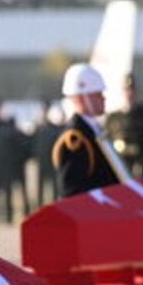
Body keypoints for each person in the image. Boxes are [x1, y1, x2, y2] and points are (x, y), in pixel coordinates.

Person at [53, 63, 119, 198]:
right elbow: (71, 193)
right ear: (80, 99)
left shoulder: (95, 130)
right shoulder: (75, 138)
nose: (103, 98)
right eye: (97, 94)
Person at [106, 73, 143, 183]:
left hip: (141, 167)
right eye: (126, 90)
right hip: (120, 167)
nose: (129, 93)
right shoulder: (113, 118)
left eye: (132, 89)